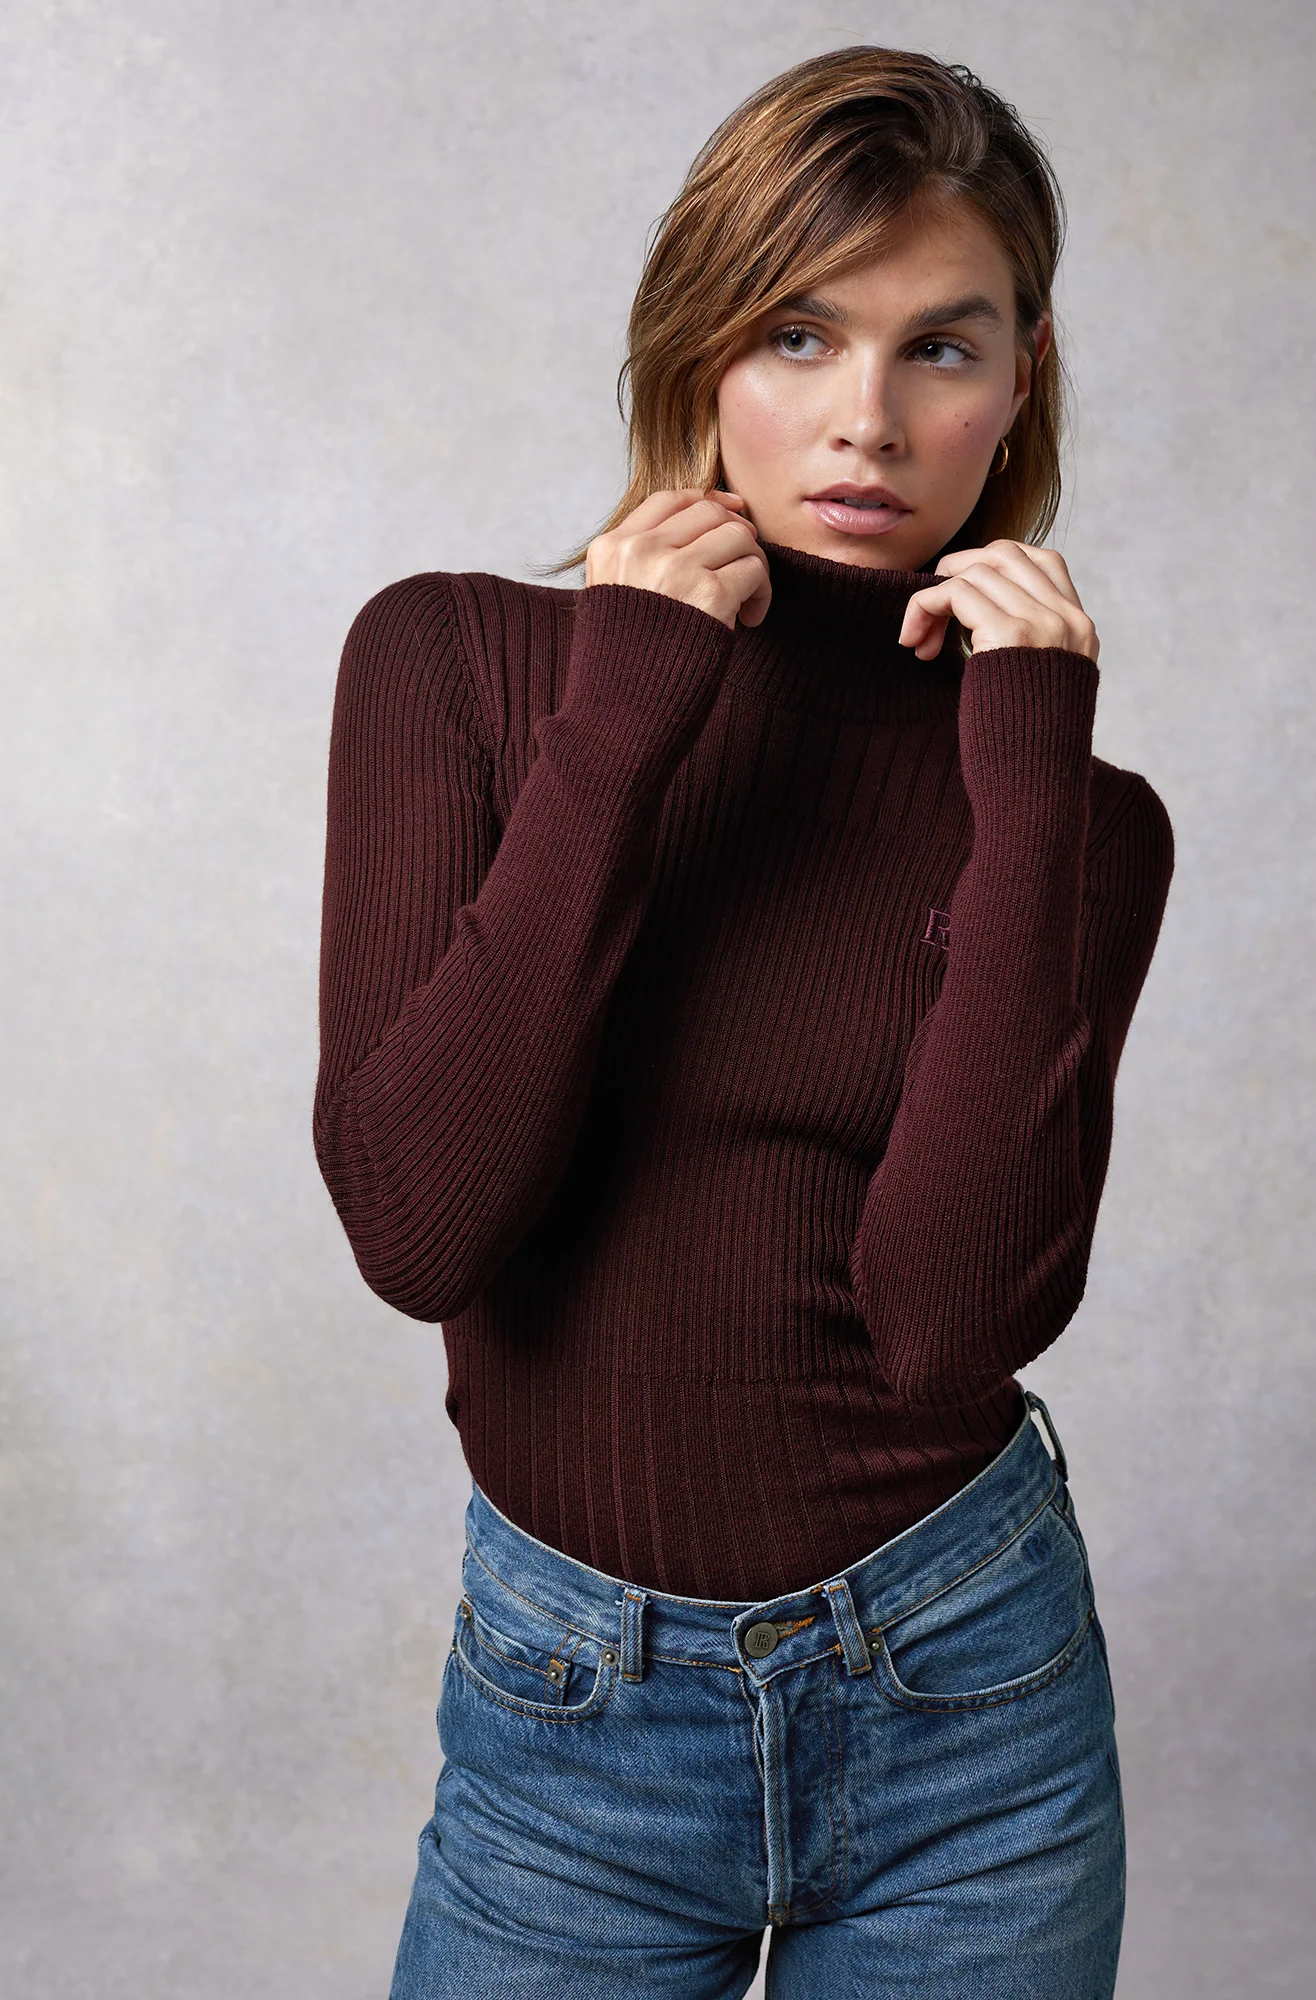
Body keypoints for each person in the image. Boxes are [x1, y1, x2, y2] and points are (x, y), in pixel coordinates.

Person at [314, 43, 1173, 2000]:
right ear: (703, 346)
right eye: (800, 334)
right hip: (572, 1726)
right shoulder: (459, 661)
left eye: (940, 348)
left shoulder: (1079, 814)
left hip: (967, 1700)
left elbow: (953, 1318)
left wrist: (1029, 785)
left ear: (1019, 379)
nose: (868, 418)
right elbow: (419, 1223)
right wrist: (624, 715)